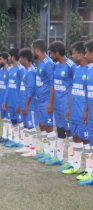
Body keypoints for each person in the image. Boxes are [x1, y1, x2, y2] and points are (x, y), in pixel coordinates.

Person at [62, 41, 90, 175]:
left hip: (83, 113)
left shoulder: (90, 70)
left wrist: (85, 111)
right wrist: (68, 109)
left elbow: (90, 95)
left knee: (87, 140)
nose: (72, 56)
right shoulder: (76, 70)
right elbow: (73, 91)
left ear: (81, 54)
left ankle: (89, 169)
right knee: (75, 137)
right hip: (73, 111)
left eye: (73, 54)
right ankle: (76, 165)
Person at [47, 41, 76, 166]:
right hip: (57, 105)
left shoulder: (71, 66)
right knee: (60, 131)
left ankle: (71, 160)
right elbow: (53, 85)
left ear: (57, 53)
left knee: (70, 133)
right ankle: (59, 157)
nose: (50, 55)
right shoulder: (55, 65)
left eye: (51, 53)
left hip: (66, 107)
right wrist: (51, 102)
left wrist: (70, 107)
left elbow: (75, 87)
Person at [31, 39, 57, 163]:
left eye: (32, 49)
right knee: (42, 125)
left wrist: (50, 102)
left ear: (36, 49)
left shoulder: (48, 63)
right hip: (39, 100)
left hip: (46, 100)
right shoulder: (40, 62)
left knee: (49, 127)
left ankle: (52, 154)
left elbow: (52, 84)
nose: (32, 52)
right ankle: (46, 151)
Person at [2, 48, 27, 152]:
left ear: (13, 57)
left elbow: (23, 88)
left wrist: (20, 102)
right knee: (13, 120)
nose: (8, 58)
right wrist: (5, 100)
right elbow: (8, 86)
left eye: (9, 56)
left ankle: (23, 142)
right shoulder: (11, 69)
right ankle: (16, 140)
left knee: (21, 121)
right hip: (10, 101)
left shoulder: (21, 69)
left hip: (18, 102)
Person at [19, 48, 39, 157]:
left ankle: (33, 149)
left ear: (25, 59)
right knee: (26, 125)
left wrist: (26, 105)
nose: (20, 60)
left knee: (31, 126)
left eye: (21, 58)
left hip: (30, 104)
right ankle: (26, 146)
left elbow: (31, 89)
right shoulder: (25, 70)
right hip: (24, 103)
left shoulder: (31, 72)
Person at [79, 40, 93, 185]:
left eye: (87, 53)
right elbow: (90, 94)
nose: (86, 55)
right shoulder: (89, 71)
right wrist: (85, 110)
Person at [0, 52, 13, 145]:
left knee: (9, 119)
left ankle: (10, 137)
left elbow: (9, 87)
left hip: (7, 99)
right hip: (1, 98)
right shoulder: (1, 70)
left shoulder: (10, 71)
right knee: (4, 119)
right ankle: (4, 136)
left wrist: (6, 100)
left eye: (0, 59)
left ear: (6, 60)